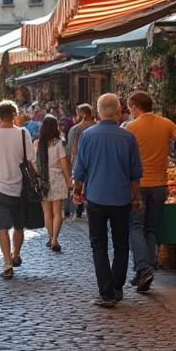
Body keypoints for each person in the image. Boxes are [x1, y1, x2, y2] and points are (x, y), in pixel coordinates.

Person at [71, 93, 143, 308]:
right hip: (121, 197)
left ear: (99, 111)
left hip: (96, 197)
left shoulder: (88, 135)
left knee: (98, 244)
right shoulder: (127, 137)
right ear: (119, 111)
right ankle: (117, 286)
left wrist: (77, 190)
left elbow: (80, 168)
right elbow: (135, 172)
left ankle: (106, 292)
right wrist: (136, 196)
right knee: (121, 243)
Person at [125, 91, 176, 292]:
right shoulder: (166, 123)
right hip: (160, 185)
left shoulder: (132, 127)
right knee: (151, 228)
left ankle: (143, 268)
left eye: (130, 108)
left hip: (139, 185)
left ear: (135, 107)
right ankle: (149, 267)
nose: (130, 112)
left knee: (135, 226)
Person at [0, 99, 31, 278]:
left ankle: (7, 263)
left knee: (3, 228)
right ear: (15, 115)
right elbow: (30, 160)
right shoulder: (24, 134)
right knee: (18, 226)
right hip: (20, 187)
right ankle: (16, 254)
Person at [33, 114, 72, 253]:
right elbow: (64, 164)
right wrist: (69, 181)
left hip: (42, 180)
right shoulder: (58, 143)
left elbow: (33, 164)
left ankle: (51, 238)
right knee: (57, 212)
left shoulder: (37, 143)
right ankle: (55, 239)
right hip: (57, 178)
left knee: (47, 214)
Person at [65, 104, 96, 220]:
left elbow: (69, 149)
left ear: (82, 114)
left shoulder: (76, 129)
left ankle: (76, 210)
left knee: (76, 185)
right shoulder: (97, 127)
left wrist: (68, 165)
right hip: (94, 163)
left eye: (77, 114)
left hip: (79, 162)